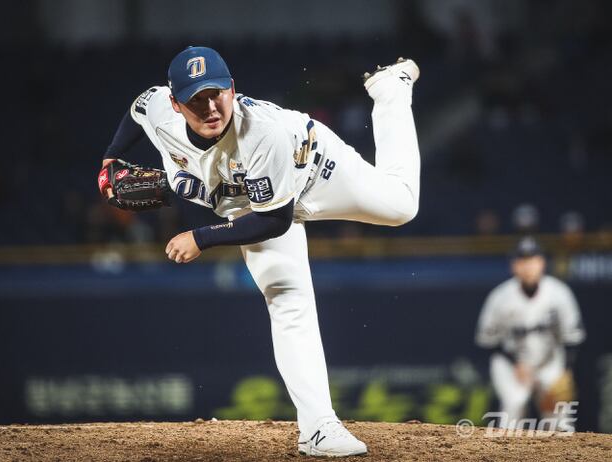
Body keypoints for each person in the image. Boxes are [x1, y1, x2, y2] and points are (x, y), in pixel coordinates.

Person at [99, 46, 421, 457]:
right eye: (196, 99)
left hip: (314, 171)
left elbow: (274, 220)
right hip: (246, 202)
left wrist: (201, 238)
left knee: (402, 206)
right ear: (176, 104)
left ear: (232, 89)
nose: (210, 107)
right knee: (287, 298)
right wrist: (110, 158)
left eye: (216, 93)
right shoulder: (161, 112)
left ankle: (390, 90)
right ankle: (319, 428)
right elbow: (139, 107)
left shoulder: (261, 133)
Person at [475, 236, 586, 431]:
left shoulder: (559, 293)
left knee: (560, 418)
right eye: (522, 261)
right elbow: (487, 341)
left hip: (549, 362)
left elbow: (573, 338)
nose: (528, 267)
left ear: (542, 263)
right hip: (511, 363)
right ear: (514, 266)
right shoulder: (500, 297)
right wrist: (516, 363)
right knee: (514, 404)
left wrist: (566, 372)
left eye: (532, 260)